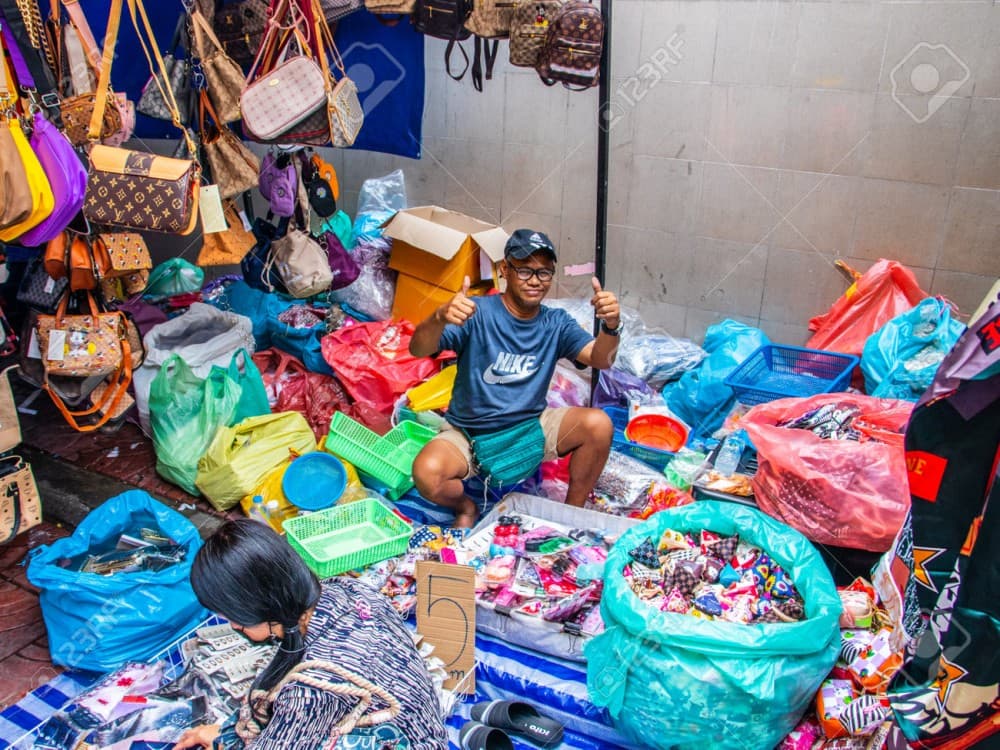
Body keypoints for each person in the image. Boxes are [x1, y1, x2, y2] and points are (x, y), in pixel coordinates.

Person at [409, 228, 621, 528]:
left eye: (544, 272)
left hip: (530, 425)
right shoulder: (476, 312)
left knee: (598, 425)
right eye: (524, 270)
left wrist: (611, 326)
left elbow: (601, 359)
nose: (535, 280)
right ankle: (466, 508)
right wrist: (439, 317)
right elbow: (418, 349)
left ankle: (571, 517)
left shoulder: (556, 322)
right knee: (427, 472)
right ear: (505, 270)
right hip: (470, 434)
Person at [172, 520, 448, 750]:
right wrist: (224, 733)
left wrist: (223, 740)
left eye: (232, 616)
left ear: (259, 607)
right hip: (424, 729)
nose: (233, 625)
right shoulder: (348, 589)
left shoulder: (311, 692)